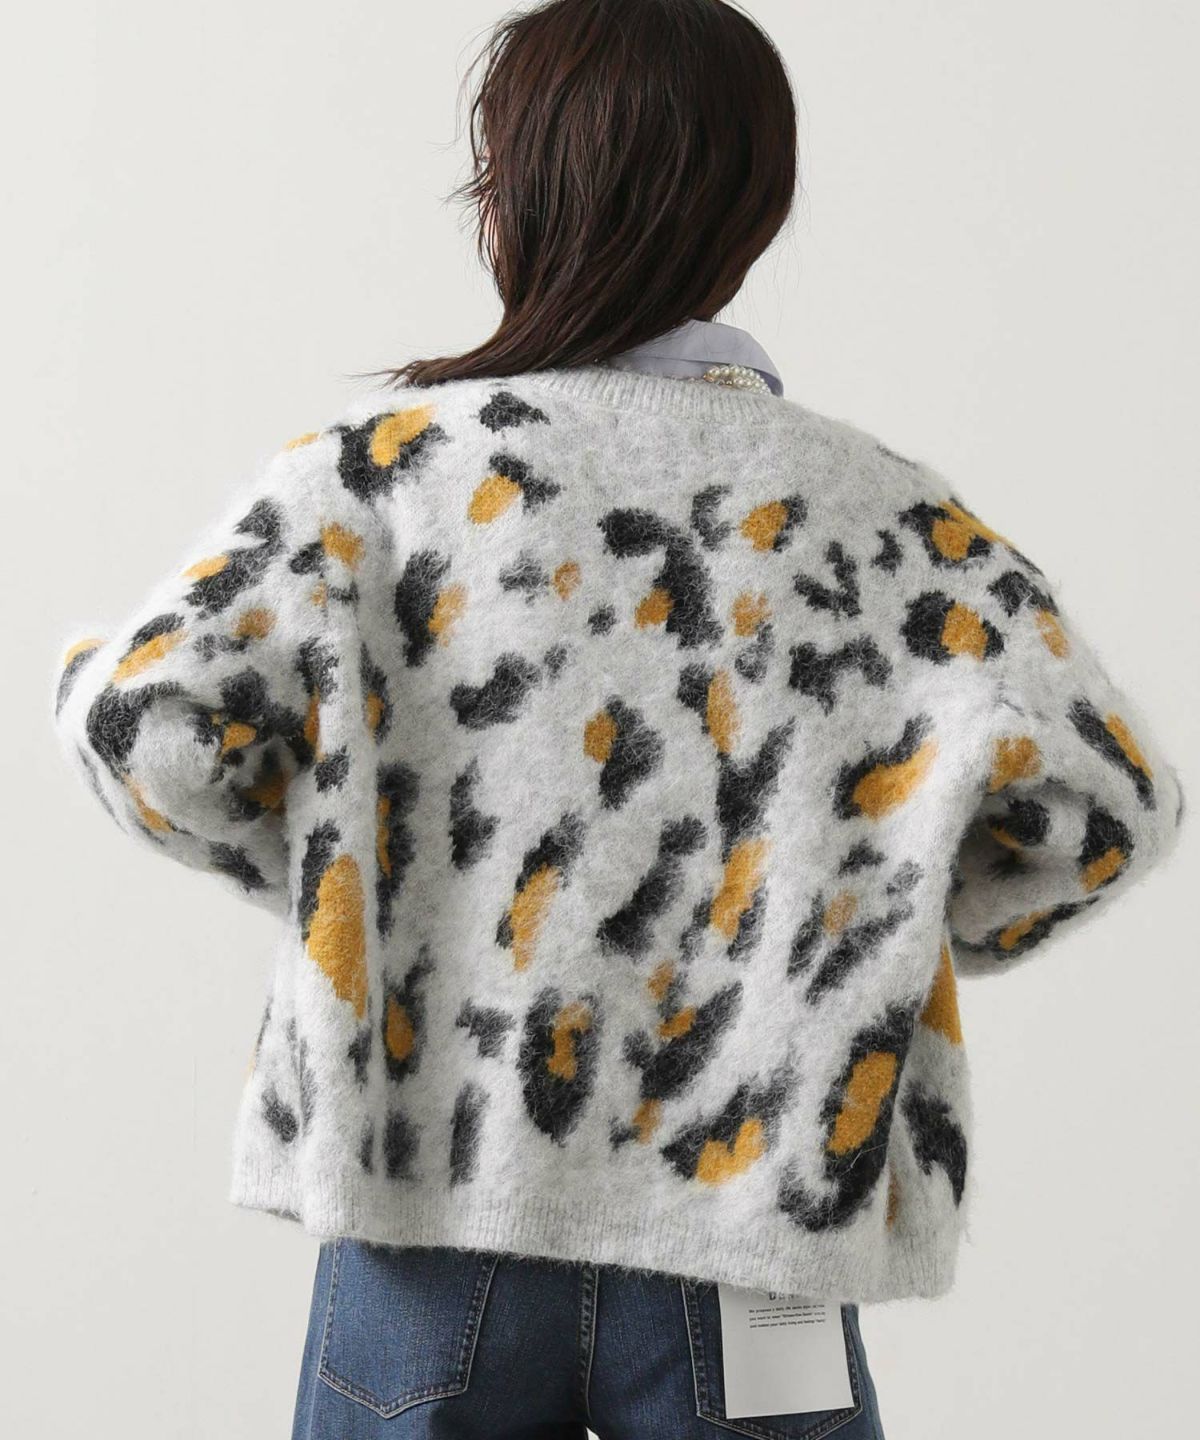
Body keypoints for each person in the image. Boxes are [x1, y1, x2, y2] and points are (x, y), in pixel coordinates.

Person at [52, 2, 1183, 1437]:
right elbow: (1102, 812)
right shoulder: (893, 524)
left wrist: (354, 869)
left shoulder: (376, 483)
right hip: (753, 1224)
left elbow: (152, 728)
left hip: (427, 1208)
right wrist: (881, 908)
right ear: (755, 213)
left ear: (510, 198)